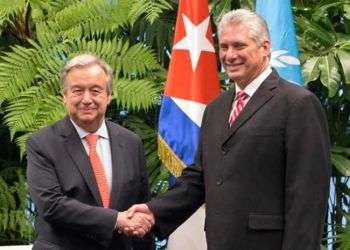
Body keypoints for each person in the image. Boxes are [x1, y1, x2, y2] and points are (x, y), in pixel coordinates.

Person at [126, 9, 331, 250]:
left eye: (239, 46)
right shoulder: (216, 108)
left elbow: (307, 197)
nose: (230, 55)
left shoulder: (297, 103)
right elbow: (198, 179)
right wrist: (153, 211)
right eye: (224, 47)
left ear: (265, 47)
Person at [26, 54, 154, 250]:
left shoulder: (131, 142)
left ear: (109, 95)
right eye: (77, 91)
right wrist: (115, 220)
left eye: (95, 90)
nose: (87, 99)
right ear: (64, 96)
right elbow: (51, 205)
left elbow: (141, 207)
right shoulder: (42, 143)